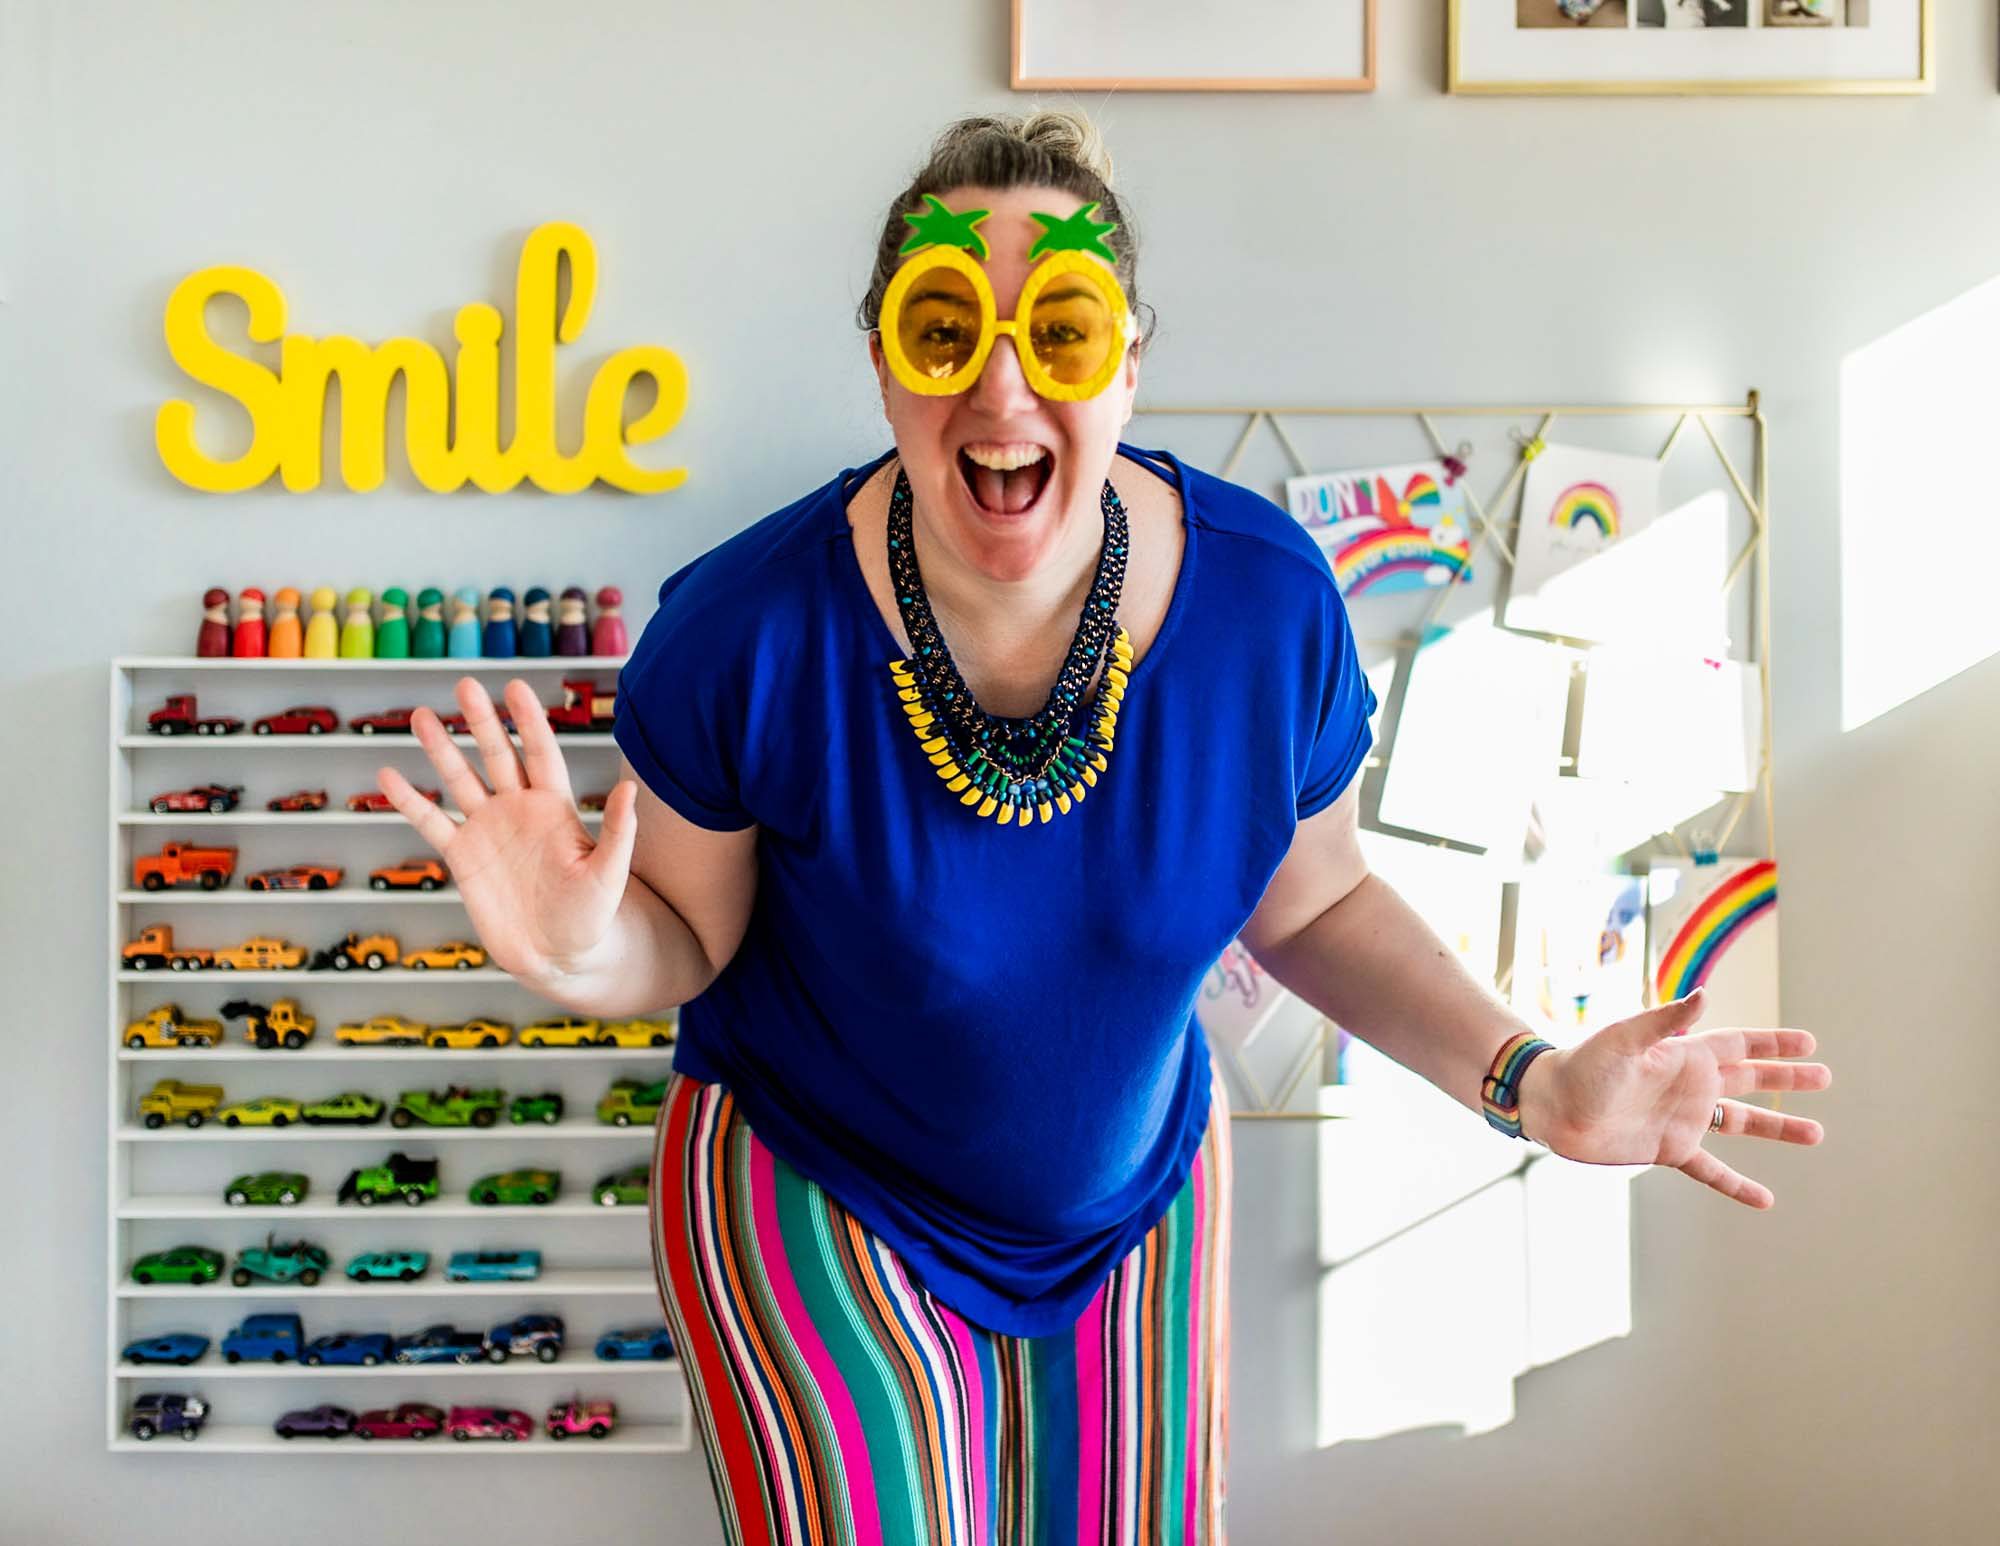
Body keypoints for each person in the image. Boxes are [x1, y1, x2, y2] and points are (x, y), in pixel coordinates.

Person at [378, 108, 1831, 1546]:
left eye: (1060, 332)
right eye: (944, 330)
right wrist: (576, 952)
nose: (1001, 387)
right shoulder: (746, 629)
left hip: (1134, 1204)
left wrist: (1538, 1081)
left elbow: (1317, 904)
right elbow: (688, 940)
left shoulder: (1265, 611)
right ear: (885, 365)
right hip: (814, 1178)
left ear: (1128, 364)